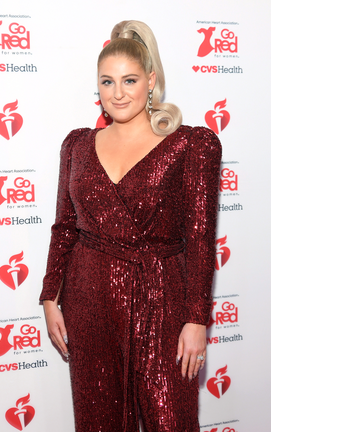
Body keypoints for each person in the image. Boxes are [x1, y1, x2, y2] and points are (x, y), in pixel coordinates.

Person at [40, 20, 222, 432]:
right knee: (97, 420)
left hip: (162, 300)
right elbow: (65, 227)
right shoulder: (77, 145)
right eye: (107, 81)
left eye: (129, 80)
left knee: (170, 420)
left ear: (151, 80)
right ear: (98, 87)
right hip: (88, 299)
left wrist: (196, 320)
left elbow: (199, 239)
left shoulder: (191, 145)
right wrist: (51, 295)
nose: (118, 92)